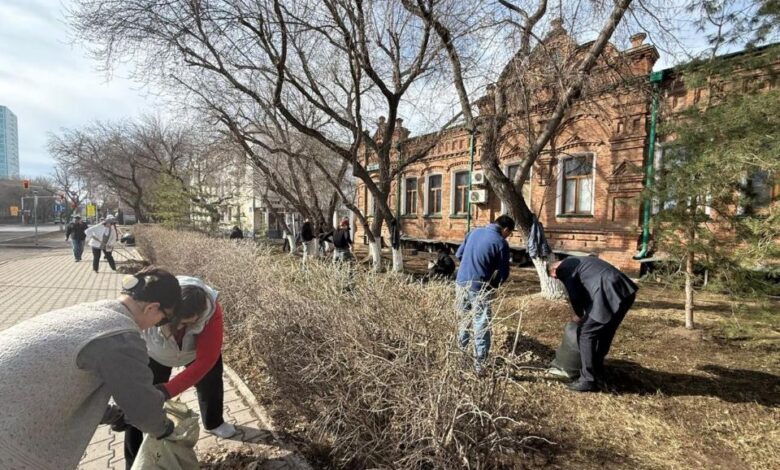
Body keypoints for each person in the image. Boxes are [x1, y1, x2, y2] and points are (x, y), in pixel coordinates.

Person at [0, 267, 183, 470]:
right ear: (152, 308)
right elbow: (141, 406)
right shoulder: (122, 337)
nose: (159, 325)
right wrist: (164, 429)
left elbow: (58, 383)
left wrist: (113, 415)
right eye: (164, 318)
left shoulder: (92, 312)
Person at [124, 276, 236, 468]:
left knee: (211, 384)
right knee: (140, 403)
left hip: (194, 354)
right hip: (155, 353)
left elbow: (205, 361)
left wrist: (166, 391)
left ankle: (214, 422)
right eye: (180, 323)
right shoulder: (149, 306)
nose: (183, 328)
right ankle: (133, 461)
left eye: (191, 323)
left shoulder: (211, 309)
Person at [550, 256, 638, 392]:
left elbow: (574, 294)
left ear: (554, 269)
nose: (557, 278)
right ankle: (597, 370)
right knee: (606, 330)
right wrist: (587, 312)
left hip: (607, 290)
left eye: (555, 276)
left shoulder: (564, 268)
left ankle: (587, 380)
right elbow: (587, 289)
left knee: (586, 333)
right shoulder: (581, 262)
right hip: (625, 290)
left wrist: (579, 314)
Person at [454, 215, 515, 373]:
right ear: (506, 229)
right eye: (509, 233)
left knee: (463, 321)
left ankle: (459, 359)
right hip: (480, 288)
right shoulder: (500, 243)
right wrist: (494, 285)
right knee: (481, 325)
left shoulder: (473, 232)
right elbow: (503, 274)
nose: (508, 236)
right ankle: (480, 366)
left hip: (460, 283)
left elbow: (459, 255)